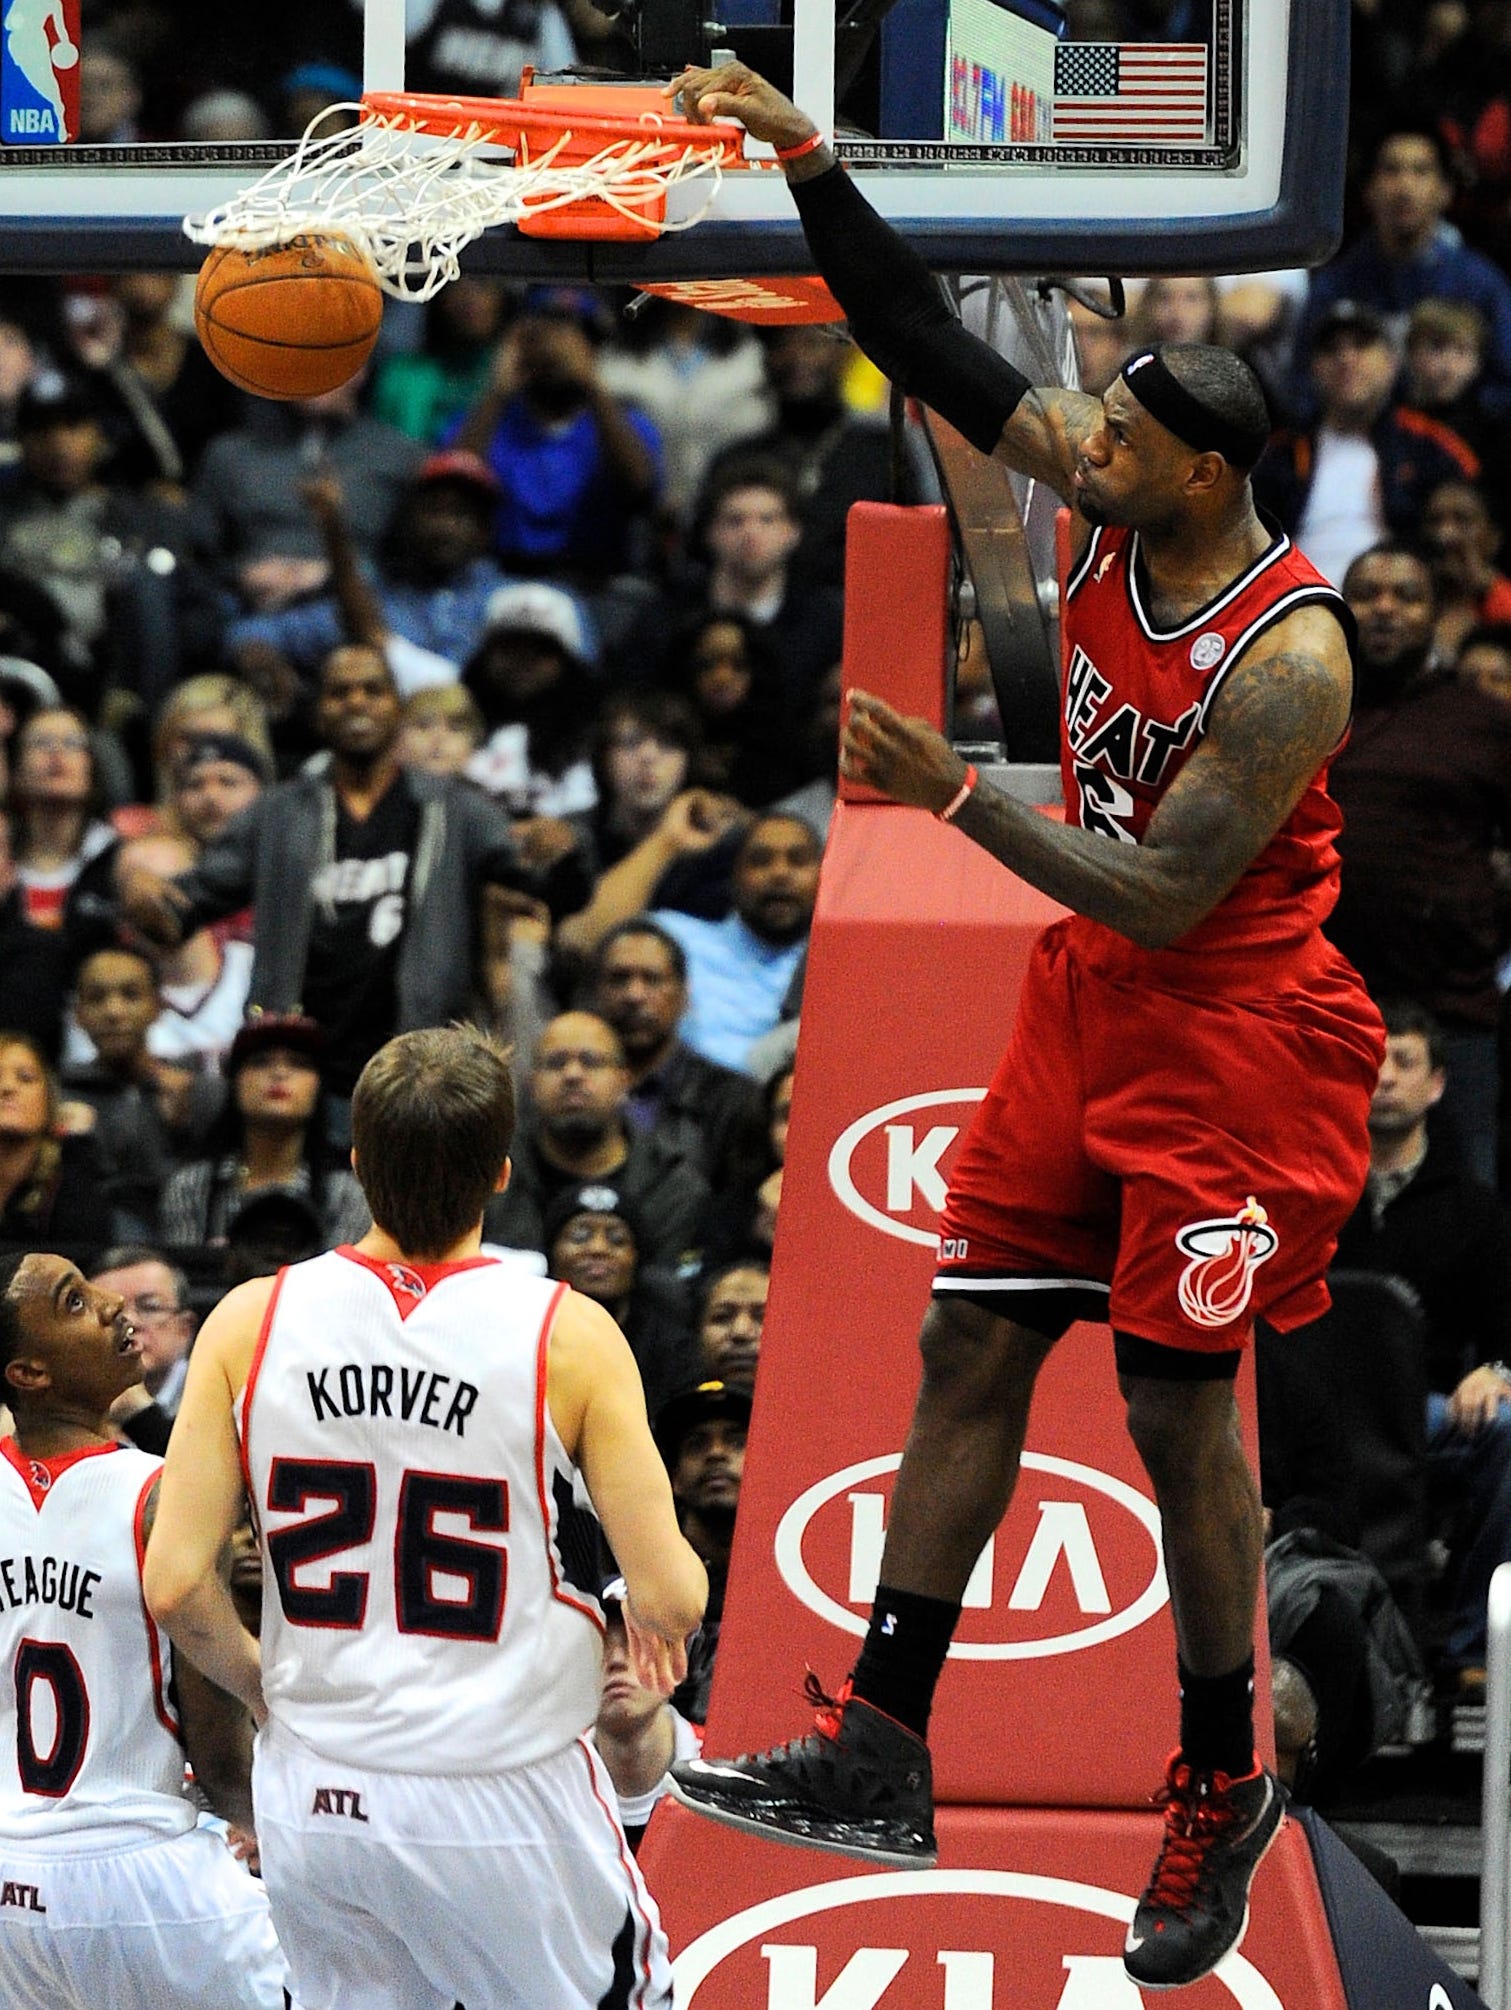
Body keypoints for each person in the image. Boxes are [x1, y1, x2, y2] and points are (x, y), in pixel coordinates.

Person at [663, 60, 1387, 1994]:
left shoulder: (1290, 654)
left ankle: (1220, 1775)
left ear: (1202, 474)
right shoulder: (1108, 491)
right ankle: (879, 1748)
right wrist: (809, 158)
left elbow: (1165, 893)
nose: (1079, 447)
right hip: (1094, 1001)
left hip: (1241, 1034)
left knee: (1171, 1412)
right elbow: (915, 336)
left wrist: (956, 798)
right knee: (966, 1342)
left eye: (1118, 440)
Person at [143, 1024, 706, 2010]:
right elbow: (670, 1596)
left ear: (358, 1163)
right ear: (499, 1174)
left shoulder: (247, 1319)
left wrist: (270, 1692)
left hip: (318, 1789)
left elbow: (177, 1584)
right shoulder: (566, 1332)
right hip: (498, 1785)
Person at [0, 1249, 289, 2008]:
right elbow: (219, 1757)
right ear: (28, 1373)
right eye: (74, 1302)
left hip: (10, 1888)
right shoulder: (161, 1496)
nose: (110, 1306)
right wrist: (279, 1830)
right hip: (145, 1877)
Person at [118, 647, 521, 1136]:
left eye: (372, 690)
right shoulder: (278, 813)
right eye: (339, 692)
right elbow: (181, 909)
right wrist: (143, 894)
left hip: (421, 1071)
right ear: (318, 712)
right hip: (300, 1072)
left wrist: (557, 849)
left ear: (397, 707)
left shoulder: (456, 811)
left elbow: (533, 875)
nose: (357, 702)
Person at [1333, 1000, 1511, 1692]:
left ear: (1436, 1084)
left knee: (1507, 1432)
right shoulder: (1308, 1191)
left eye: (1402, 1062)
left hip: (1423, 1413)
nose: (1382, 1078)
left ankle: (1474, 1648)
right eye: (1369, 1062)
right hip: (1313, 1412)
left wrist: (1493, 1369)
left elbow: (1503, 1333)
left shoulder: (1474, 1209)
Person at [1326, 543, 1511, 1186]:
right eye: (1366, 594)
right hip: (1323, 1010)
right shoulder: (1309, 709)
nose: (1384, 609)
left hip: (1452, 1013)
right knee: (1317, 1200)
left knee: (1468, 1202)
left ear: (1436, 614)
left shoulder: (1481, 721)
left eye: (1406, 596)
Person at [483, 1010, 711, 1270]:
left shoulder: (672, 1186)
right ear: (532, 1083)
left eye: (591, 1062)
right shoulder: (491, 1177)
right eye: (556, 1063)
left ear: (624, 1081)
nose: (572, 1074)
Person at [158, 1014, 369, 1252]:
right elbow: (187, 1273)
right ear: (235, 1082)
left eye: (298, 1063)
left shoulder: (345, 1196)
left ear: (319, 1087)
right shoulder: (192, 1187)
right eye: (260, 1062)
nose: (279, 1073)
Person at [589, 917, 764, 1187]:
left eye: (652, 979)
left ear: (684, 995)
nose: (634, 995)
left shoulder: (732, 1101)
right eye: (619, 979)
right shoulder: (564, 1089)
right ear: (595, 992)